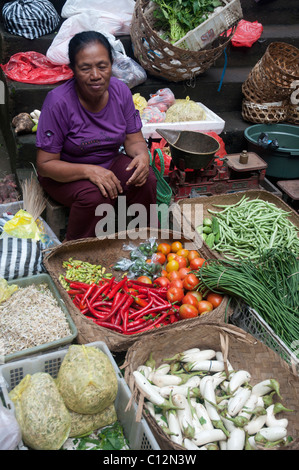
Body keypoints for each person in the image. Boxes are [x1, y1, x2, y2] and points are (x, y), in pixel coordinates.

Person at [35, 30, 158, 241]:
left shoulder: (121, 92)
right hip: (65, 172)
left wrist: (142, 155)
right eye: (85, 68)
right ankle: (75, 252)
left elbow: (133, 139)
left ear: (112, 65)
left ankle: (144, 242)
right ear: (72, 69)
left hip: (109, 162)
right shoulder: (58, 102)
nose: (95, 75)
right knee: (96, 196)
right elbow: (45, 164)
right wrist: (89, 171)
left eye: (102, 66)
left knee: (144, 180)